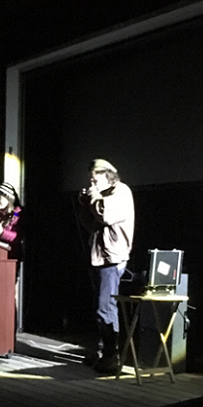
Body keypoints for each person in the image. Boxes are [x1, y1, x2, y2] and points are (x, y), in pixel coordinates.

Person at [77, 159, 135, 374]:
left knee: (106, 308)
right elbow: (92, 225)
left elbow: (106, 215)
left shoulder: (121, 192)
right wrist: (84, 204)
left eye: (95, 179)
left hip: (112, 258)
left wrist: (93, 197)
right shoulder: (103, 195)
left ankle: (111, 357)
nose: (91, 183)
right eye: (90, 180)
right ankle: (103, 352)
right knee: (101, 307)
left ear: (108, 175)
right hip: (99, 258)